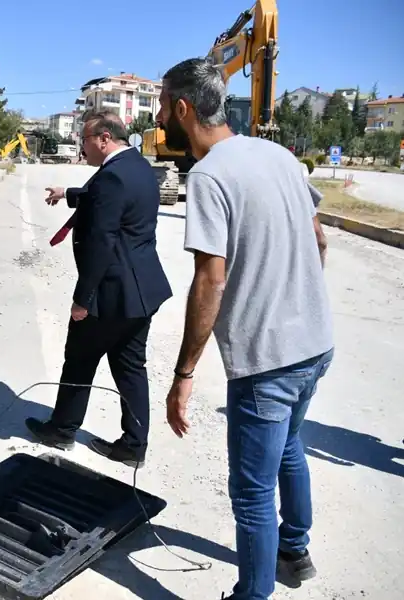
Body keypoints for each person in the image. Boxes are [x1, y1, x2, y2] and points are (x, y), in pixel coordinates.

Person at [157, 58, 333, 600]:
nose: (161, 117)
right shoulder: (279, 156)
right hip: (316, 345)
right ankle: (294, 551)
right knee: (290, 447)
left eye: (163, 106)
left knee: (252, 495)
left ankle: (253, 595)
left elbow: (210, 283)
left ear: (184, 109)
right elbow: (319, 239)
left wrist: (184, 373)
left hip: (268, 363)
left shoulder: (209, 176)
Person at [25, 111, 173, 468]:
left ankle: (62, 430)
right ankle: (133, 446)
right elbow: (105, 195)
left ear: (104, 138)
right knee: (130, 367)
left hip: (111, 294)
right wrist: (68, 193)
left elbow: (101, 242)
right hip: (142, 292)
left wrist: (83, 299)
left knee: (79, 359)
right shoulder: (137, 167)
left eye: (85, 140)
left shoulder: (112, 178)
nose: (82, 147)